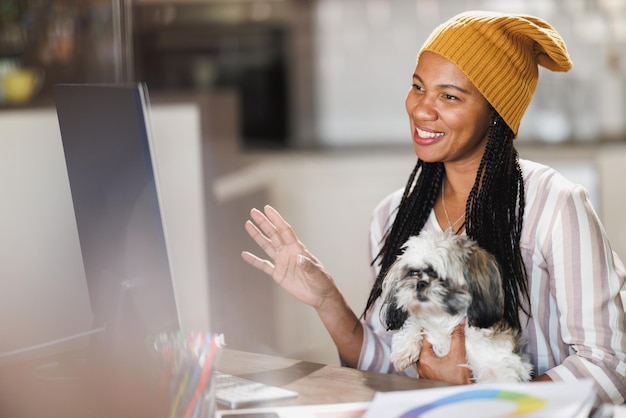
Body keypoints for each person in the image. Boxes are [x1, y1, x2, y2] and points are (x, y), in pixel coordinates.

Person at [241, 10, 626, 404]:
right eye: (418, 87)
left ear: (497, 114)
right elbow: (390, 369)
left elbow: (610, 367)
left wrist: (483, 398)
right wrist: (326, 300)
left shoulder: (554, 205)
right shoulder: (393, 217)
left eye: (449, 96)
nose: (422, 109)